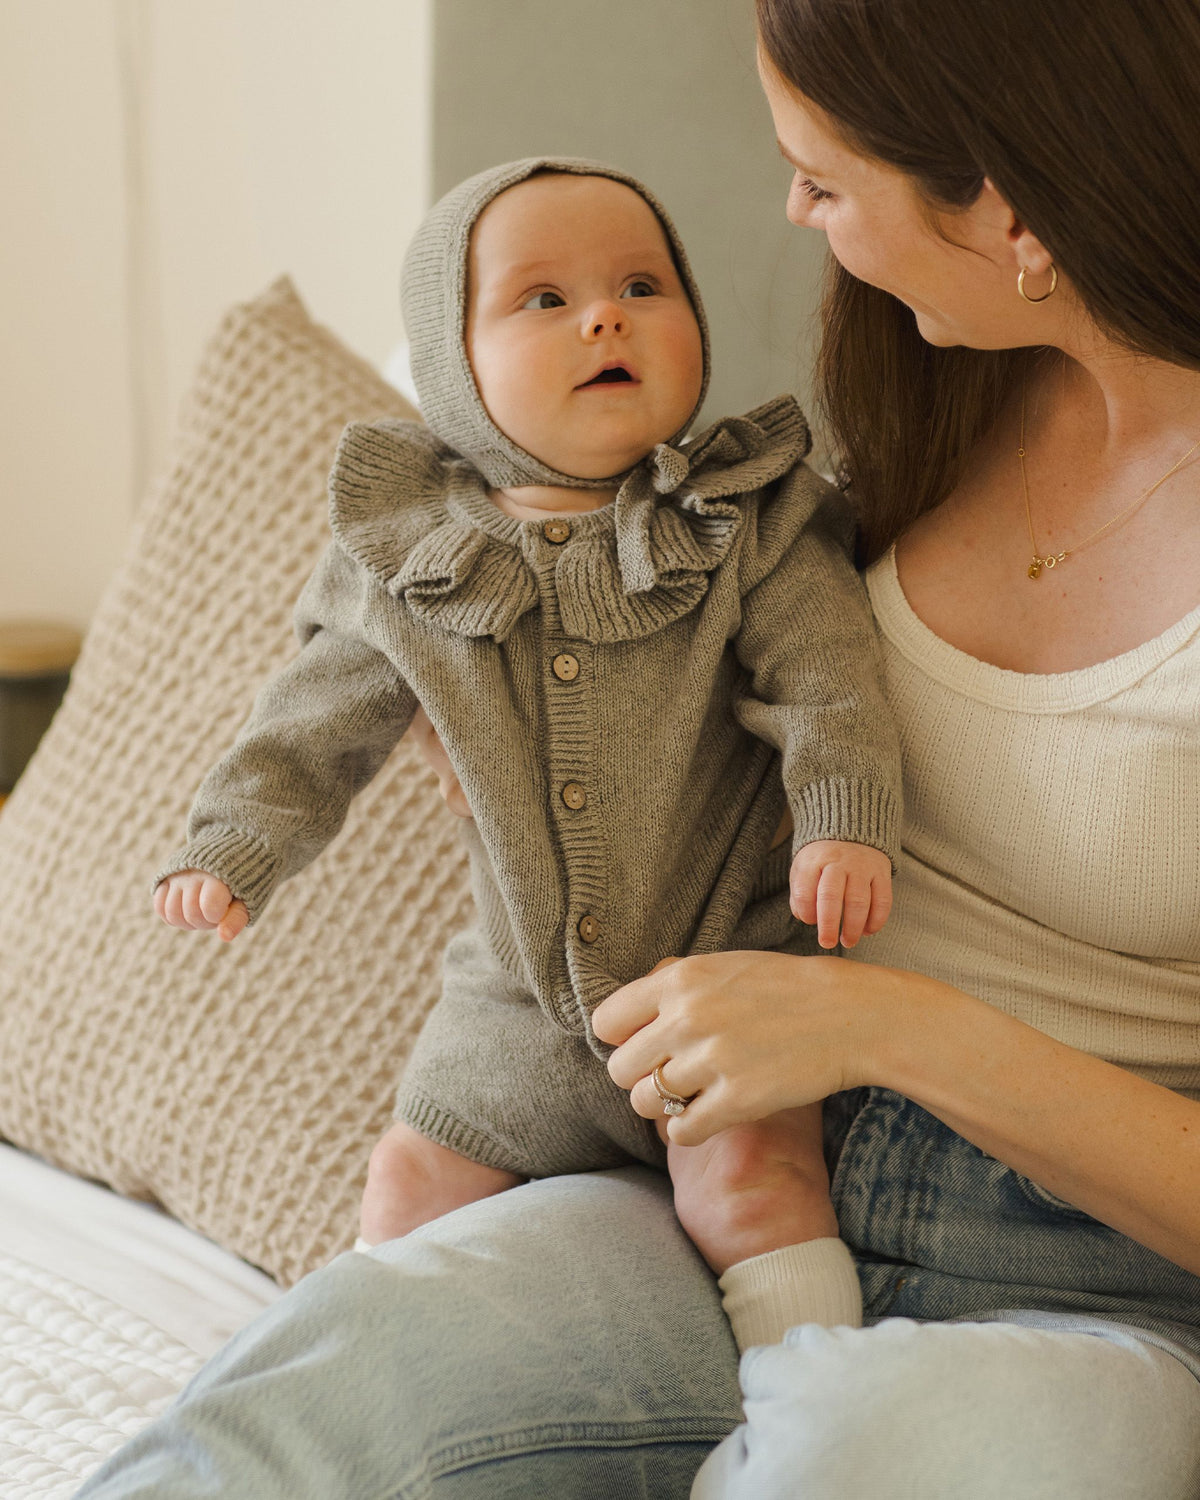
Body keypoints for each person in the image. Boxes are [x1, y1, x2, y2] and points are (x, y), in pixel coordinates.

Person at [77, 0, 1200, 1495]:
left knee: (867, 1457)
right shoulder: (930, 401)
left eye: (825, 175)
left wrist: (891, 1028)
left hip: (1102, 1279)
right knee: (294, 1420)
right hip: (716, 1168)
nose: (790, 211)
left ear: (1000, 201)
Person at [151, 155, 901, 1340]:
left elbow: (827, 675)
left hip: (725, 977)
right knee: (409, 1175)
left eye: (644, 285)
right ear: (453, 365)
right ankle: (360, 1366)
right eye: (543, 299)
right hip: (515, 1003)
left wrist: (843, 816)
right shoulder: (410, 556)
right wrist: (234, 844)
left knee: (756, 1187)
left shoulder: (745, 514)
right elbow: (312, 718)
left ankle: (816, 1414)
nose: (606, 315)